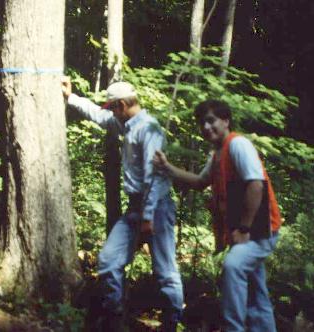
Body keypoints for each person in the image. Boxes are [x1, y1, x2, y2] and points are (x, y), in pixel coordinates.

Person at [61, 77, 183, 331]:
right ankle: (114, 320)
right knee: (108, 260)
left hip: (156, 207)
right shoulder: (126, 125)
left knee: (165, 272)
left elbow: (153, 175)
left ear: (124, 104)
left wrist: (148, 216)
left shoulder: (149, 129)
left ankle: (172, 324)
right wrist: (70, 98)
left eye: (114, 107)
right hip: (135, 208)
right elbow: (99, 116)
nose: (112, 113)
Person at [153, 100, 281, 331]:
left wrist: (244, 229)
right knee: (256, 290)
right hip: (247, 231)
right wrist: (166, 167)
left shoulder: (238, 145)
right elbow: (201, 182)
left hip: (260, 229)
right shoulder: (217, 154)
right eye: (202, 123)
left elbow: (256, 185)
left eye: (211, 120)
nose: (206, 127)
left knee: (233, 266)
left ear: (226, 120)